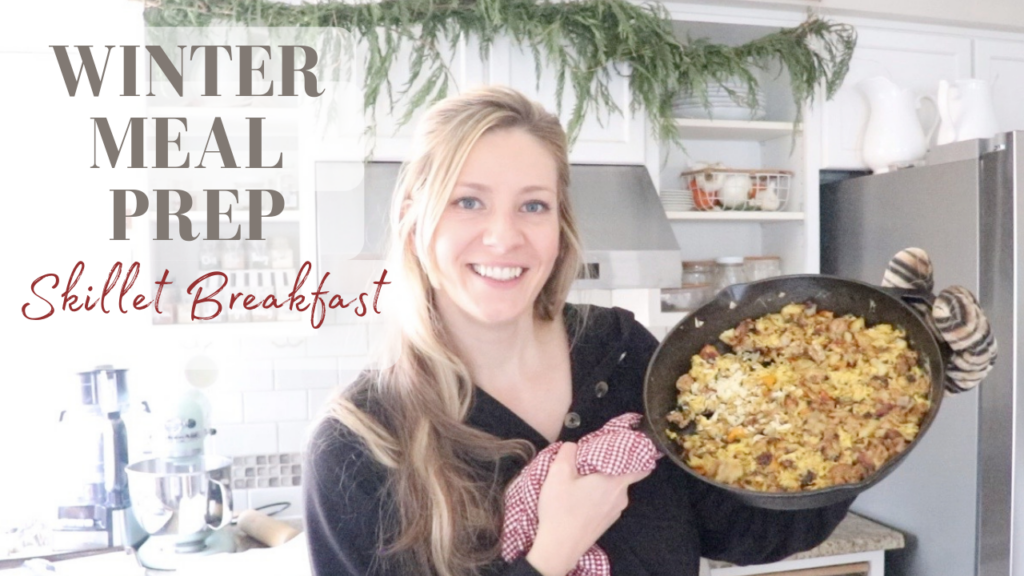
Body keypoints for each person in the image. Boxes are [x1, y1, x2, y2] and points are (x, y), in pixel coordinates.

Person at [301, 85, 979, 576]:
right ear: (416, 220)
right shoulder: (359, 444)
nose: (504, 235)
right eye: (468, 200)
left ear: (559, 225)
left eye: (532, 204)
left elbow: (738, 530)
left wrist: (888, 407)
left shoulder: (620, 353)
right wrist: (549, 555)